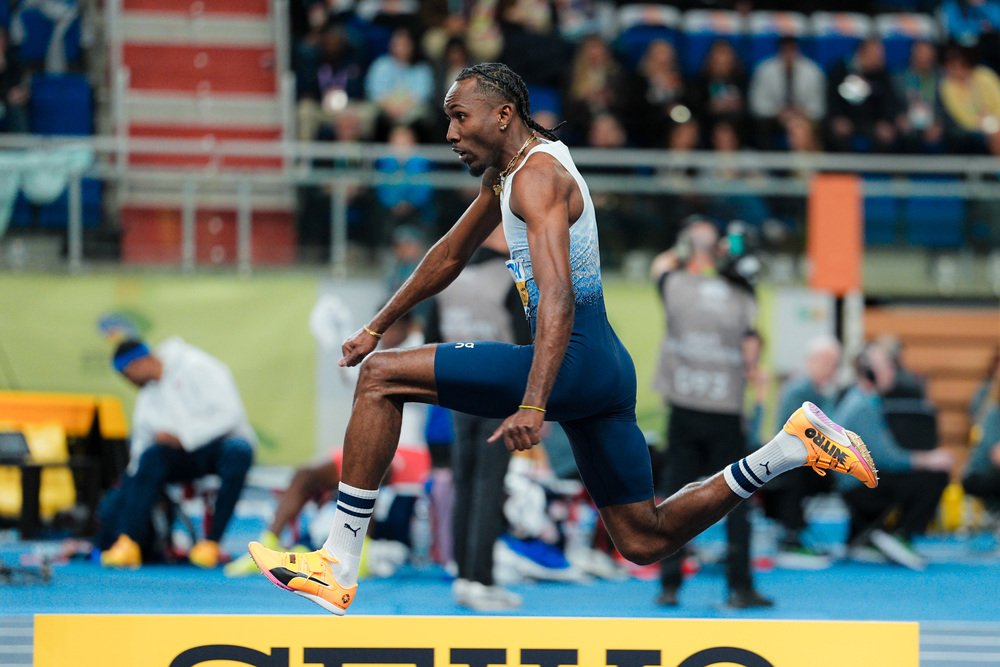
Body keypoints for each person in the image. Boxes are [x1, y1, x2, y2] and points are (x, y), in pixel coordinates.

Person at [247, 62, 878, 615]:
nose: (449, 134)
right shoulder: (510, 172)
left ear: (503, 115)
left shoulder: (537, 179)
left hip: (573, 359)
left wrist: (533, 402)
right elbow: (448, 255)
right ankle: (790, 448)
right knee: (643, 538)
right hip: (601, 368)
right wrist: (375, 324)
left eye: (459, 118)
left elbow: (557, 298)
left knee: (382, 378)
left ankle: (337, 562)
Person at [650, 217, 771, 609]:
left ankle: (669, 585)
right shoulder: (741, 293)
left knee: (673, 500)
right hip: (723, 409)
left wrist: (688, 247)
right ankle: (740, 587)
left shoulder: (676, 284)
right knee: (736, 500)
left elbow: (661, 266)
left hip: (685, 406)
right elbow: (753, 350)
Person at [101, 338, 255, 568]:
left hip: (220, 446)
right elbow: (141, 445)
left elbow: (230, 414)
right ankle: (129, 542)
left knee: (238, 453)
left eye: (127, 375)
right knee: (150, 458)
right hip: (183, 456)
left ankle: (211, 544)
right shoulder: (147, 395)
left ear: (137, 364)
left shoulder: (198, 366)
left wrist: (183, 437)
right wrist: (132, 478)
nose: (128, 382)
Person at [833, 344, 953, 571]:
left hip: (857, 481)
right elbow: (887, 458)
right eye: (886, 367)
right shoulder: (862, 406)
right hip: (858, 488)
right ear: (869, 372)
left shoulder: (864, 399)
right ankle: (900, 534)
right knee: (934, 476)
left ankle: (863, 535)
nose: (892, 372)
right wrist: (929, 459)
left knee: (922, 472)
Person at [766, 335, 842, 569]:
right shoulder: (799, 391)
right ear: (811, 361)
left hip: (811, 460)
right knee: (796, 471)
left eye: (834, 363)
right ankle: (792, 534)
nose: (830, 369)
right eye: (826, 362)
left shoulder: (824, 392)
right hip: (789, 462)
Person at [748, 36, 826, 150]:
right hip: (775, 119)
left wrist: (802, 112)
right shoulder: (764, 70)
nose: (789, 55)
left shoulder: (813, 71)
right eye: (785, 51)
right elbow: (757, 105)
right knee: (761, 126)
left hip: (804, 117)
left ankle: (809, 164)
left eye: (792, 50)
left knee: (810, 127)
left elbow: (819, 107)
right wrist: (777, 112)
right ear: (779, 52)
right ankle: (769, 165)